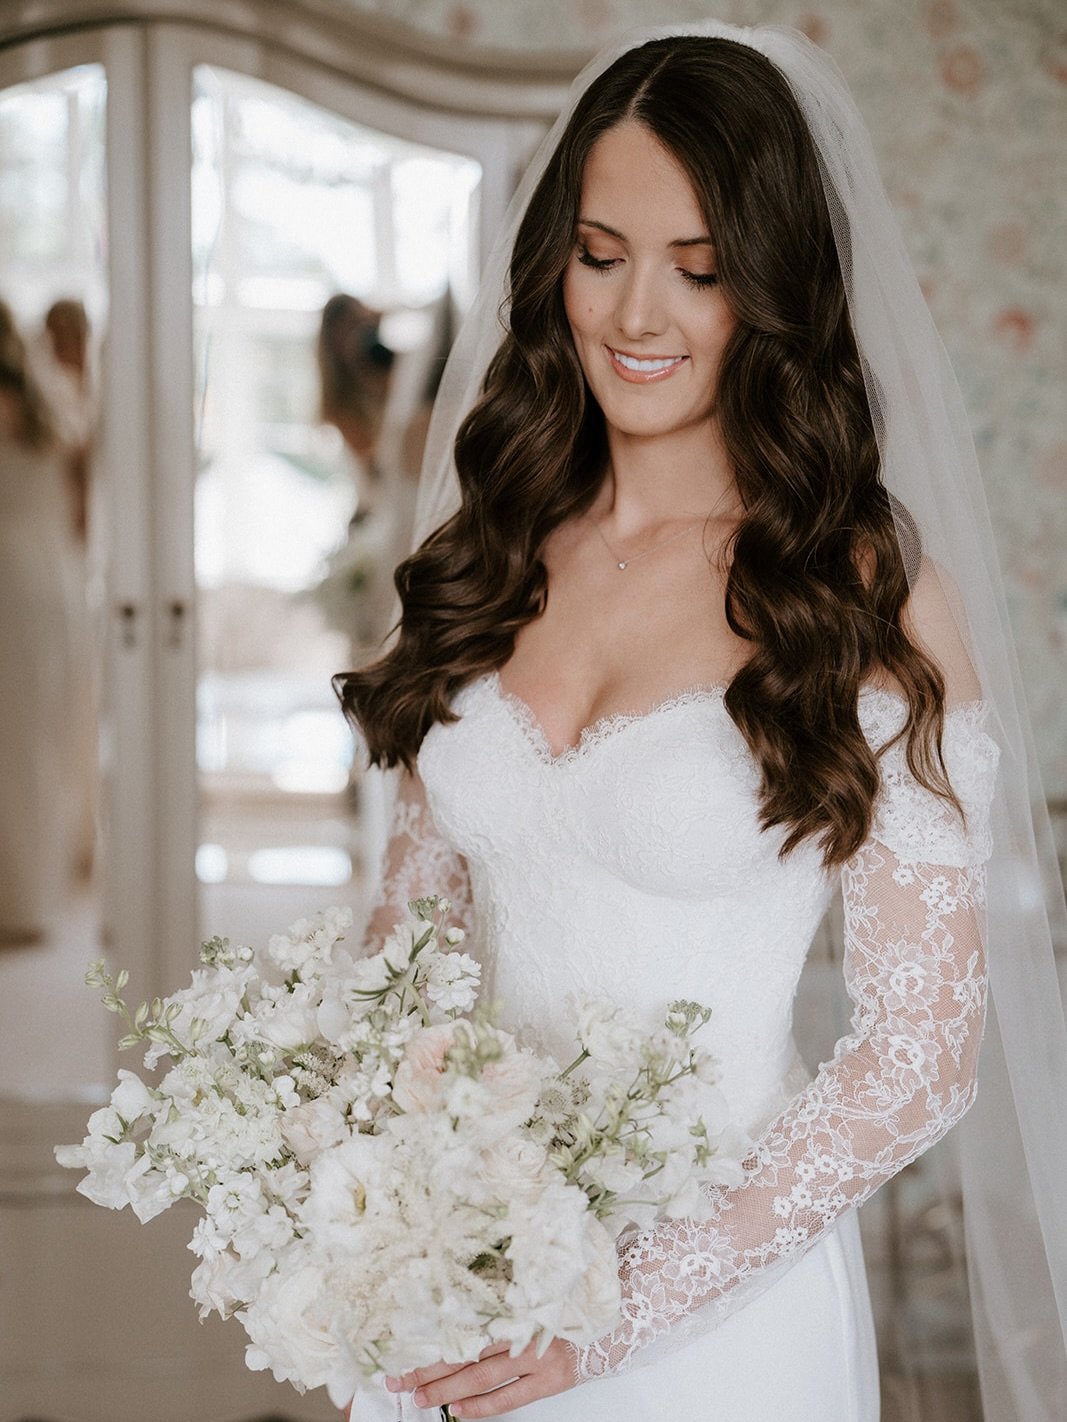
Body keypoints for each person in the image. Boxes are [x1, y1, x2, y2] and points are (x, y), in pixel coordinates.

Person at [334, 23, 1067, 1422]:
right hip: (455, 1288)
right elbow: (407, 946)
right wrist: (382, 1193)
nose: (632, 316)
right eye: (599, 253)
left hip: (709, 1316)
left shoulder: (859, 591)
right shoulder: (488, 551)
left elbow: (918, 1050)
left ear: (772, 288)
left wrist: (609, 1311)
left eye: (700, 269)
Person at [0, 299, 87, 941]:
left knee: (15, 742)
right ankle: (33, 890)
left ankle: (18, 902)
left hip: (9, 579)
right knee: (37, 737)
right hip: (51, 577)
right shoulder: (48, 404)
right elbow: (79, 510)